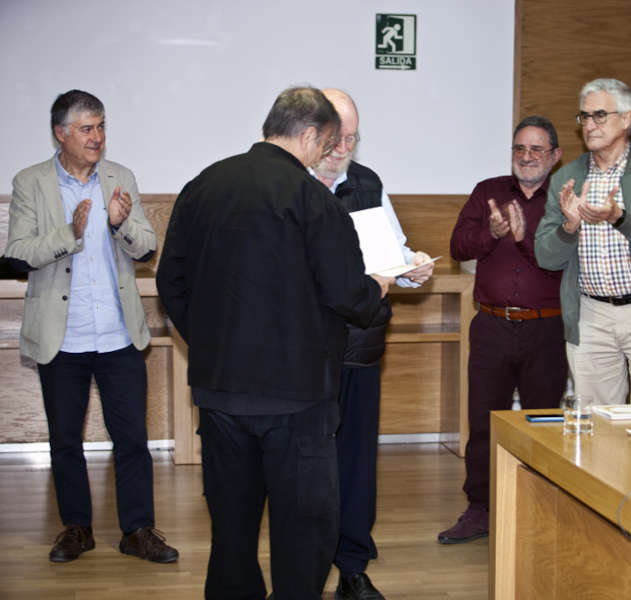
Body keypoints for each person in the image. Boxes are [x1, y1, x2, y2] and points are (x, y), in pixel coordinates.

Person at [155, 86, 389, 600]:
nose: (326, 155)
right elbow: (349, 295)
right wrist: (379, 286)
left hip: (220, 394)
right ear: (307, 135)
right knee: (303, 532)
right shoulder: (311, 199)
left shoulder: (203, 185)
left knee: (232, 532)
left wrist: (212, 340)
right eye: (325, 144)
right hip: (297, 398)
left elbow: (169, 282)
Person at [3, 90, 178, 564]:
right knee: (65, 440)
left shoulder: (120, 178)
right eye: (86, 128)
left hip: (119, 333)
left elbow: (145, 246)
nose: (97, 137)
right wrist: (70, 235)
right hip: (62, 336)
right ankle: (76, 528)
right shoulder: (31, 182)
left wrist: (119, 224)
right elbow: (17, 252)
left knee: (133, 440)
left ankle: (138, 530)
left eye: (101, 126)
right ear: (60, 133)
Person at [310, 88, 434, 600]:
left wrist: (412, 270)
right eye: (336, 137)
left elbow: (392, 251)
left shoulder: (367, 183)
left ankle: (353, 566)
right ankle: (307, 566)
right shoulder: (289, 184)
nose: (344, 147)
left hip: (359, 347)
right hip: (303, 352)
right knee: (307, 465)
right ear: (312, 132)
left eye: (352, 138)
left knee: (357, 462)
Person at [439, 115, 568, 544]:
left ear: (555, 155)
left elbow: (562, 260)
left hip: (546, 331)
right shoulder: (487, 192)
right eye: (519, 148)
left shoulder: (566, 199)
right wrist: (491, 234)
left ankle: (539, 505)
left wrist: (523, 237)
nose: (526, 157)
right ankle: (480, 509)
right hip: (492, 326)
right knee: (483, 423)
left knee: (543, 424)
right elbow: (458, 247)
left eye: (536, 149)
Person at [535, 78, 631, 406]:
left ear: (628, 118)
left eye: (599, 115)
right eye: (584, 117)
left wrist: (620, 217)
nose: (590, 124)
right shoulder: (566, 178)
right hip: (590, 316)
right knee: (598, 433)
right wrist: (569, 227)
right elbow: (546, 256)